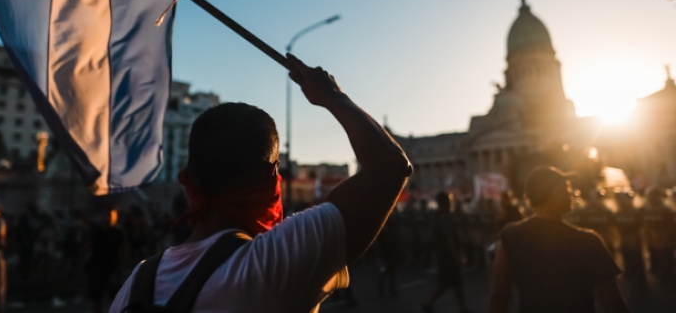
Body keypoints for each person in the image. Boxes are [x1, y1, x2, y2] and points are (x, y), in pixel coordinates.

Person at [109, 54, 412, 313]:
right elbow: (391, 166)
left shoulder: (136, 283)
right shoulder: (272, 262)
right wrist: (333, 97)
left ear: (188, 179)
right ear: (272, 179)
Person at [488, 166, 630, 313]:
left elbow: (499, 295)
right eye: (567, 189)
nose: (571, 194)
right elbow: (612, 303)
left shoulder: (510, 235)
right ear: (556, 193)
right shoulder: (588, 241)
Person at [420, 192, 472, 313]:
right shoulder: (445, 217)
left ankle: (462, 308)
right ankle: (428, 304)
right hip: (448, 255)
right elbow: (449, 238)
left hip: (441, 253)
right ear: (446, 202)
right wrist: (456, 256)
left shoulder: (436, 216)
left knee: (456, 282)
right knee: (446, 283)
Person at [87, 208, 126, 313]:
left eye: (109, 216)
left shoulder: (117, 233)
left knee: (114, 297)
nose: (107, 218)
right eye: (105, 216)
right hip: (97, 268)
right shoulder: (97, 232)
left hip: (111, 267)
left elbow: (121, 252)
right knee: (97, 297)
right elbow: (89, 246)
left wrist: (117, 271)